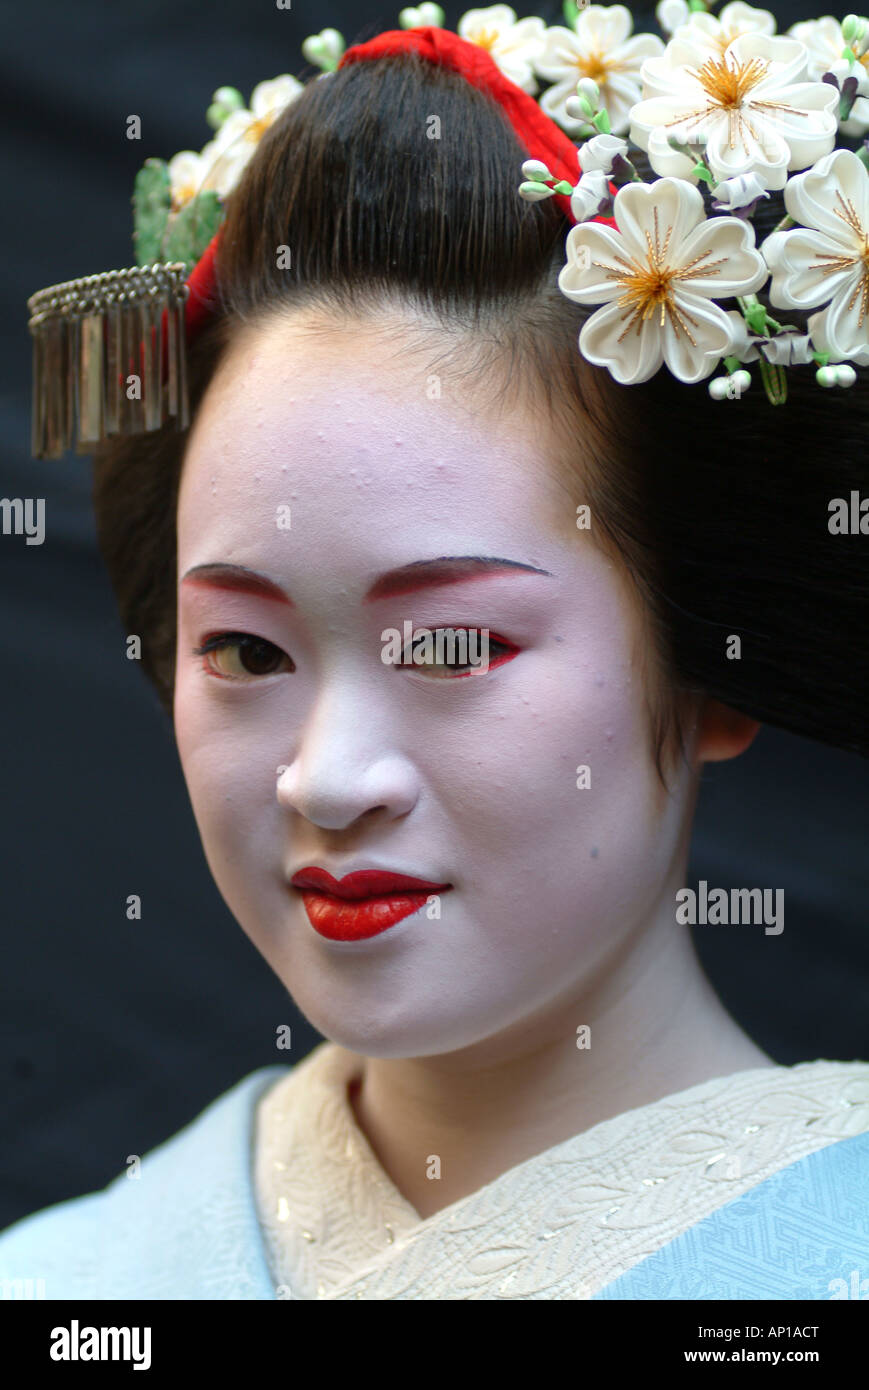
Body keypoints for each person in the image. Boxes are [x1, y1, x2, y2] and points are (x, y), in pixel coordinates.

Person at [3, 7, 869, 1300]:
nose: (328, 778)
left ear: (704, 657)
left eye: (455, 640)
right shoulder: (69, 1283)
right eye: (242, 648)